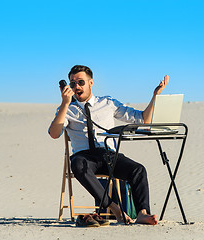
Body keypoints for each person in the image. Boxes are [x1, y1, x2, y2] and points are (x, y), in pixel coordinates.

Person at [49, 65, 169, 225]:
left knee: (138, 170)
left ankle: (142, 213)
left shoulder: (107, 102)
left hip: (108, 155)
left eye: (80, 82)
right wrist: (65, 104)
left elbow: (142, 119)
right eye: (72, 83)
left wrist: (155, 96)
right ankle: (115, 208)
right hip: (84, 158)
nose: (76, 87)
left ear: (91, 83)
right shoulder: (67, 109)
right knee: (78, 165)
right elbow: (54, 133)